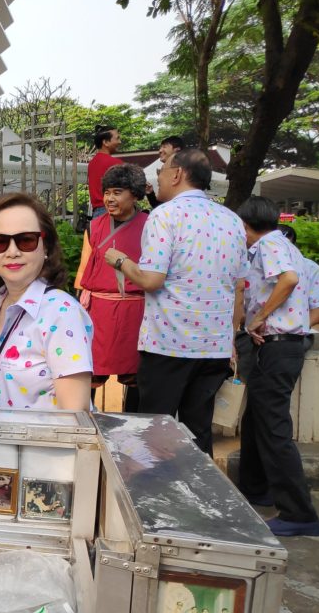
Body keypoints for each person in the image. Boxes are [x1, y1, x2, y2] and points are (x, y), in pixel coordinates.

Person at [105, 149, 247, 455]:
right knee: (198, 432)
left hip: (169, 344)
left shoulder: (164, 215)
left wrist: (120, 261)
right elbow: (238, 288)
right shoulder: (232, 220)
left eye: (161, 171)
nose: (157, 178)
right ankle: (201, 498)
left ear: (177, 174)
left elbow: (150, 279)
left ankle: (152, 499)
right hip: (214, 347)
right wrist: (231, 337)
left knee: (154, 433)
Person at [235, 196, 319, 537]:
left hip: (281, 346)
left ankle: (299, 513)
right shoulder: (275, 246)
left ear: (245, 225)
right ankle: (257, 489)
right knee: (257, 420)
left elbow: (287, 280)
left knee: (273, 428)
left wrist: (260, 317)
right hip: (274, 346)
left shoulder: (271, 245)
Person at [0, 192, 93, 411]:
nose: (12, 252)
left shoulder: (62, 313)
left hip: (41, 445)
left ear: (45, 247)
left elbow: (74, 417)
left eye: (26, 240)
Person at [76, 164, 149, 411]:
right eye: (107, 192)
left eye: (117, 192)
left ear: (136, 194)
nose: (110, 198)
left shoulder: (152, 226)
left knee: (137, 378)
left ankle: (135, 430)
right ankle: (87, 427)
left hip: (136, 311)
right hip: (97, 311)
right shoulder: (93, 226)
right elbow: (83, 269)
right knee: (89, 374)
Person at [87, 125, 122, 220]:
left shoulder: (92, 163)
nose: (120, 142)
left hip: (97, 214)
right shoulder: (116, 163)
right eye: (117, 138)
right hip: (112, 211)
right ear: (105, 142)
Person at [146, 136, 184, 209]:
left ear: (177, 150)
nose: (160, 151)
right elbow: (160, 206)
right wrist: (150, 193)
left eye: (164, 147)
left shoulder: (186, 169)